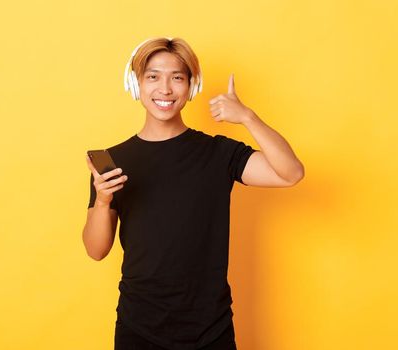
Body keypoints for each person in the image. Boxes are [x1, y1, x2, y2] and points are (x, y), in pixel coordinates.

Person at [82, 37, 305, 350]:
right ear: (136, 84)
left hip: (210, 329)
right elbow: (96, 250)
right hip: (139, 327)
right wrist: (103, 200)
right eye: (153, 77)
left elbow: (291, 173)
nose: (165, 89)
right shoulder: (112, 161)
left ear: (191, 86)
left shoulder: (217, 153)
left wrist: (247, 117)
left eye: (177, 77)